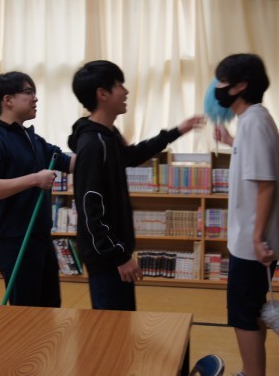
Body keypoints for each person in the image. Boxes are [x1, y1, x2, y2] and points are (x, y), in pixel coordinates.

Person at [67, 60, 204, 311]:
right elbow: (91, 209)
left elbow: (131, 155)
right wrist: (119, 256)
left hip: (114, 252)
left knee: (123, 322)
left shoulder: (108, 136)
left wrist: (177, 131)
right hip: (107, 257)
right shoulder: (94, 144)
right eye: (119, 85)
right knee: (113, 325)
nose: (126, 91)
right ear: (102, 94)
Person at [212, 53, 279, 376]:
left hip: (251, 243)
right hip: (251, 240)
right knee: (253, 309)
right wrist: (231, 141)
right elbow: (255, 162)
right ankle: (250, 370)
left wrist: (257, 238)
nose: (216, 88)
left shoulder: (254, 122)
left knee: (242, 314)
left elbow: (266, 184)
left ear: (240, 86)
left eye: (222, 82)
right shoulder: (252, 120)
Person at [0, 71, 74, 307]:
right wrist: (34, 179)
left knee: (50, 307)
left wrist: (98, 147)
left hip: (41, 237)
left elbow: (68, 163)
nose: (35, 98)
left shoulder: (32, 139)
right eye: (28, 92)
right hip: (14, 242)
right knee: (25, 314)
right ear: (8, 100)